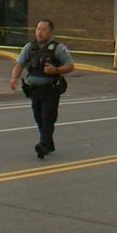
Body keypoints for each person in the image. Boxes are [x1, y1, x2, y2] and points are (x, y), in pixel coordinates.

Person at [9, 19, 75, 159]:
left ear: (50, 32)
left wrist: (56, 70)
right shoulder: (29, 47)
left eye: (43, 29)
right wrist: (14, 78)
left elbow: (70, 66)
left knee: (47, 118)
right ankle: (48, 144)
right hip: (34, 90)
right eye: (38, 29)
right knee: (38, 117)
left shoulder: (57, 48)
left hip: (50, 89)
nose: (39, 32)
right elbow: (19, 64)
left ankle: (43, 145)